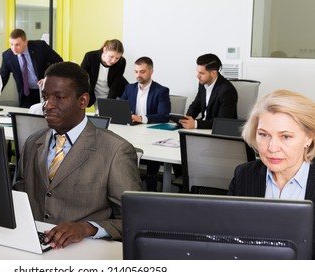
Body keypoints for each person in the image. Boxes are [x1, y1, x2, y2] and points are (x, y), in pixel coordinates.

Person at [14, 61, 142, 249]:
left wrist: (87, 228)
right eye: (45, 97)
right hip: (31, 246)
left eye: (59, 97)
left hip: (84, 252)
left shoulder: (116, 151)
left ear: (83, 101)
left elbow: (136, 220)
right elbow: (18, 198)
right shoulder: (33, 143)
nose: (47, 105)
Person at [228, 90, 315, 259]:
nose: (272, 147)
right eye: (263, 134)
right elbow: (228, 238)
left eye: (286, 136)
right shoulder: (244, 175)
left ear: (308, 138)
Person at [120, 56, 171, 191]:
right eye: (136, 71)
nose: (138, 75)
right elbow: (121, 107)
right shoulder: (129, 88)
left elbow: (164, 116)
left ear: (151, 71)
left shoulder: (161, 91)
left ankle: (151, 179)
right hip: (132, 131)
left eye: (142, 71)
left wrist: (141, 118)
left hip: (153, 132)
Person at [0, 28, 63, 108]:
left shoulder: (40, 47)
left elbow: (59, 62)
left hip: (45, 91)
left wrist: (48, 78)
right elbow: (2, 79)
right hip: (26, 94)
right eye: (11, 44)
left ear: (26, 42)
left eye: (17, 45)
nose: (14, 48)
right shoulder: (7, 56)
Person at [179, 53, 238, 129]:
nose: (197, 76)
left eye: (201, 73)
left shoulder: (227, 91)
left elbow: (222, 122)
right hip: (203, 128)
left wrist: (195, 124)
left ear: (213, 73)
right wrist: (186, 119)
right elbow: (195, 106)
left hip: (219, 132)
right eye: (198, 72)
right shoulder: (203, 84)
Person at [81, 39, 128, 107]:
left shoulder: (121, 62)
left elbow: (116, 85)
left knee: (117, 115)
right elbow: (82, 78)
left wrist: (108, 103)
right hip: (97, 94)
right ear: (104, 50)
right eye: (111, 56)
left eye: (117, 58)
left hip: (115, 94)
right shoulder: (90, 57)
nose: (113, 61)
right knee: (102, 116)